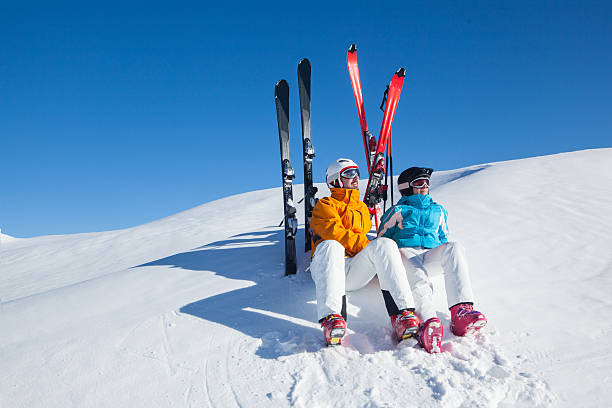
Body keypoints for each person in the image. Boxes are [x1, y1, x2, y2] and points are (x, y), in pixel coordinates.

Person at [309, 158, 420, 346]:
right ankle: (332, 318)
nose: (356, 178)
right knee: (332, 245)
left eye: (357, 173)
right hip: (328, 267)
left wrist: (377, 255)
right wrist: (367, 248)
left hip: (353, 270)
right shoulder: (325, 205)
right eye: (349, 174)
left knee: (384, 244)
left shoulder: (361, 207)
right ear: (336, 180)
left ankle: (403, 315)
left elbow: (364, 241)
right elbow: (337, 235)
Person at [378, 167, 487, 353]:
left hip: (430, 253)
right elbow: (383, 238)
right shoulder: (398, 210)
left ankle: (461, 312)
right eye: (419, 183)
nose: (424, 187)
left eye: (427, 183)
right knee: (417, 273)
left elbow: (443, 237)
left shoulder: (438, 210)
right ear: (406, 187)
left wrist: (442, 251)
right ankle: (428, 322)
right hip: (405, 251)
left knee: (454, 247)